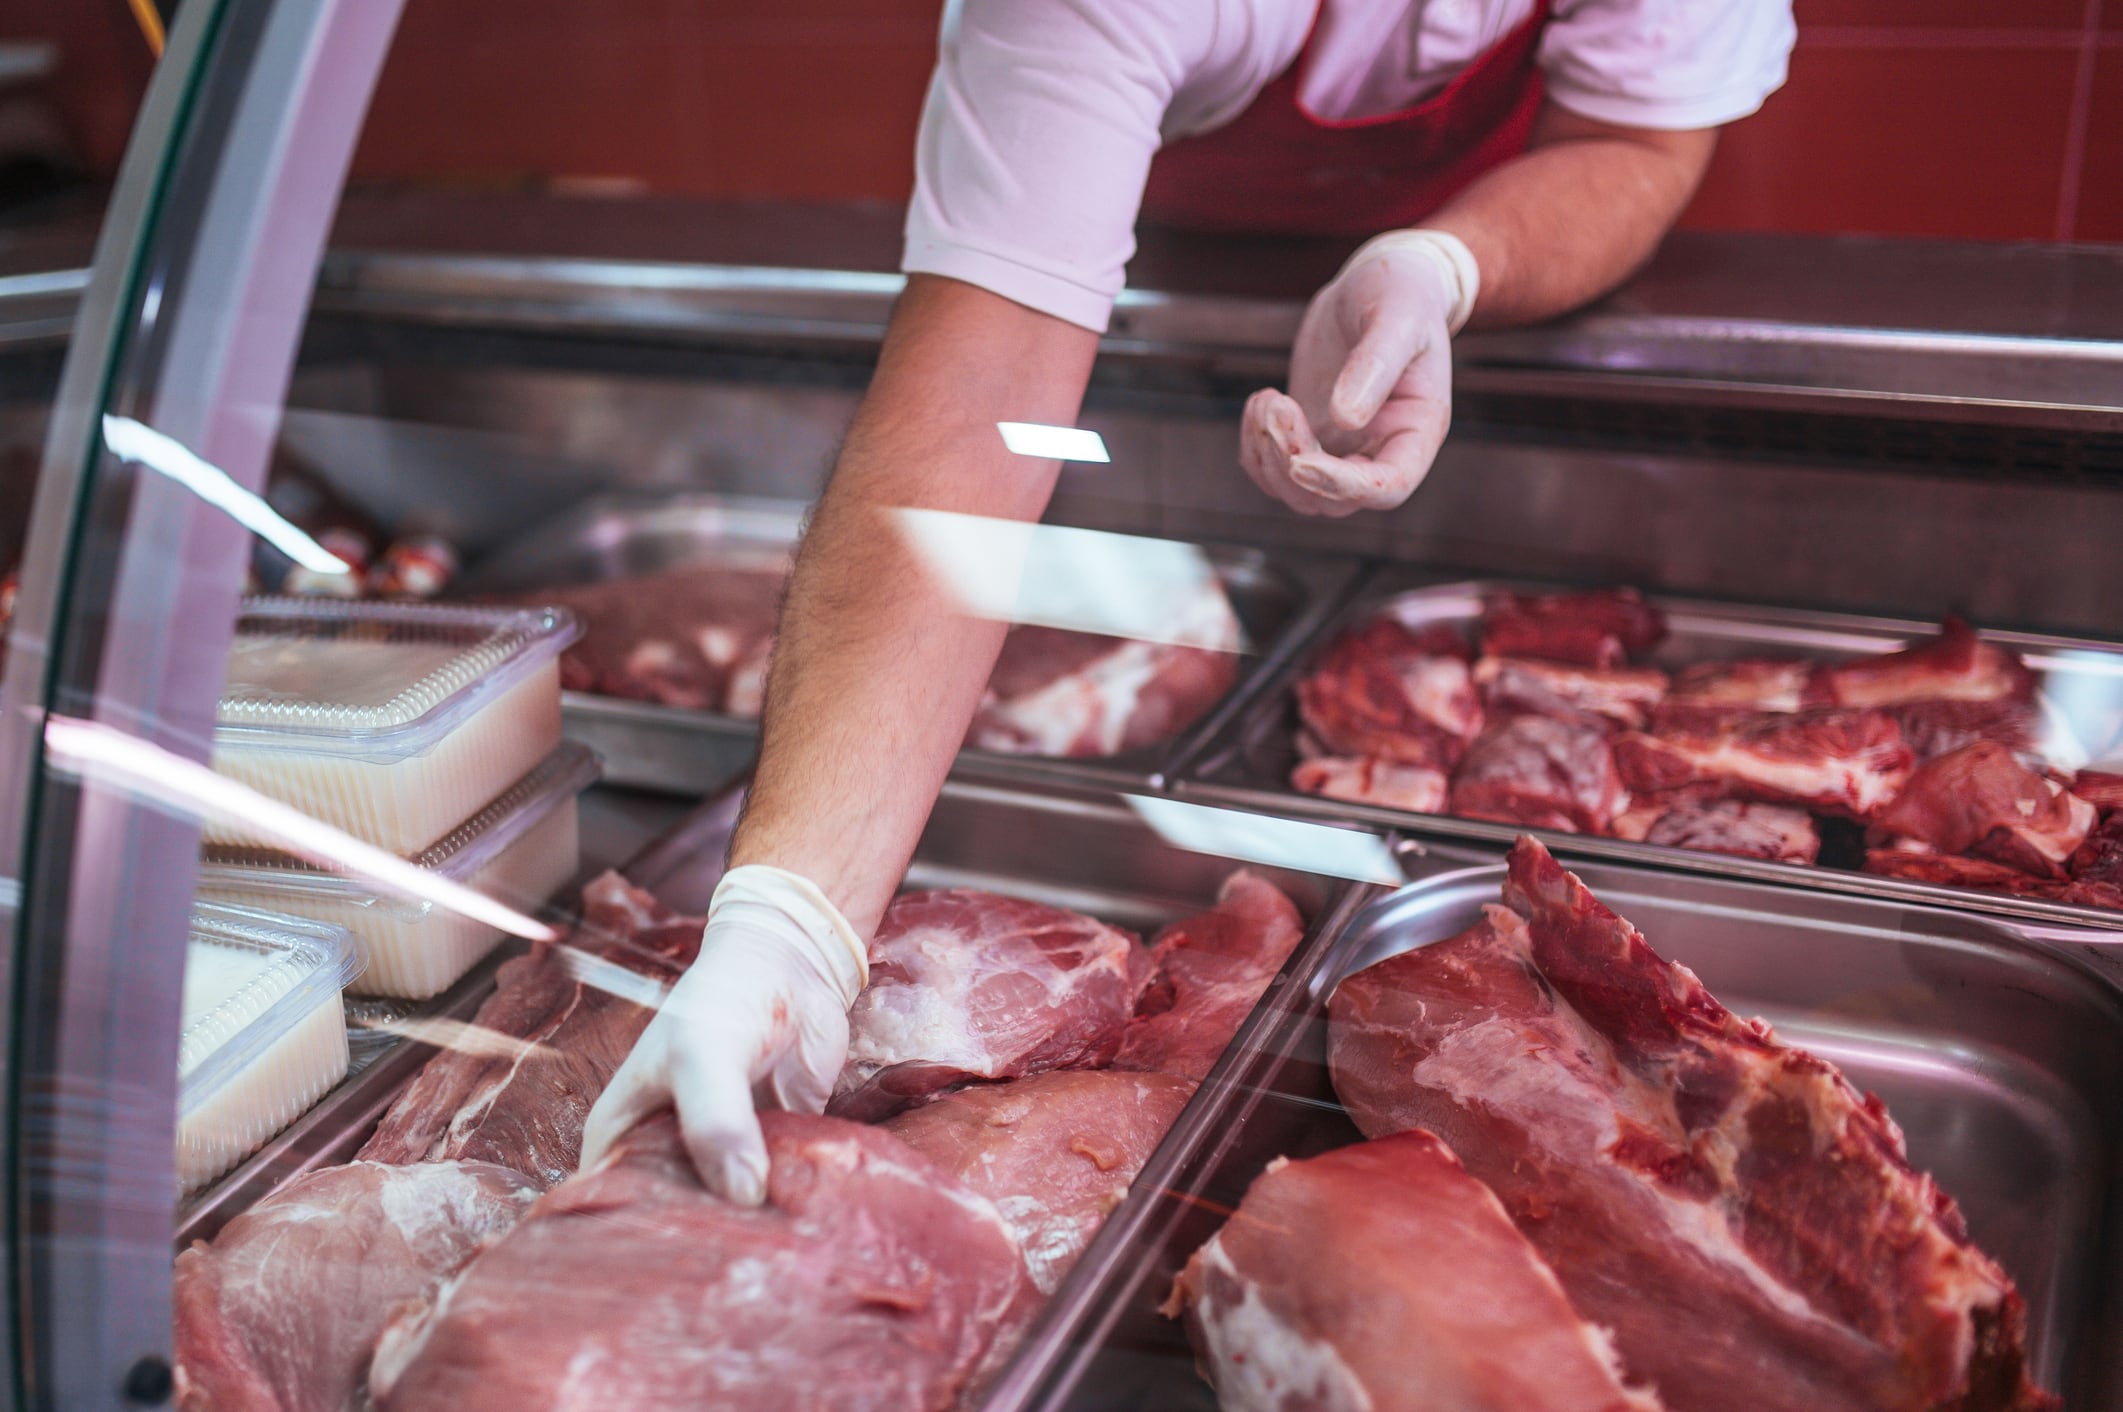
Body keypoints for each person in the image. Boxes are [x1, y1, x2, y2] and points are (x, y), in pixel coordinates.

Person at [582, 0, 1796, 1199]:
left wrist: (1445, 265)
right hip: (1101, 256)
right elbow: (969, 432)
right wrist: (786, 922)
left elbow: (1628, 148)